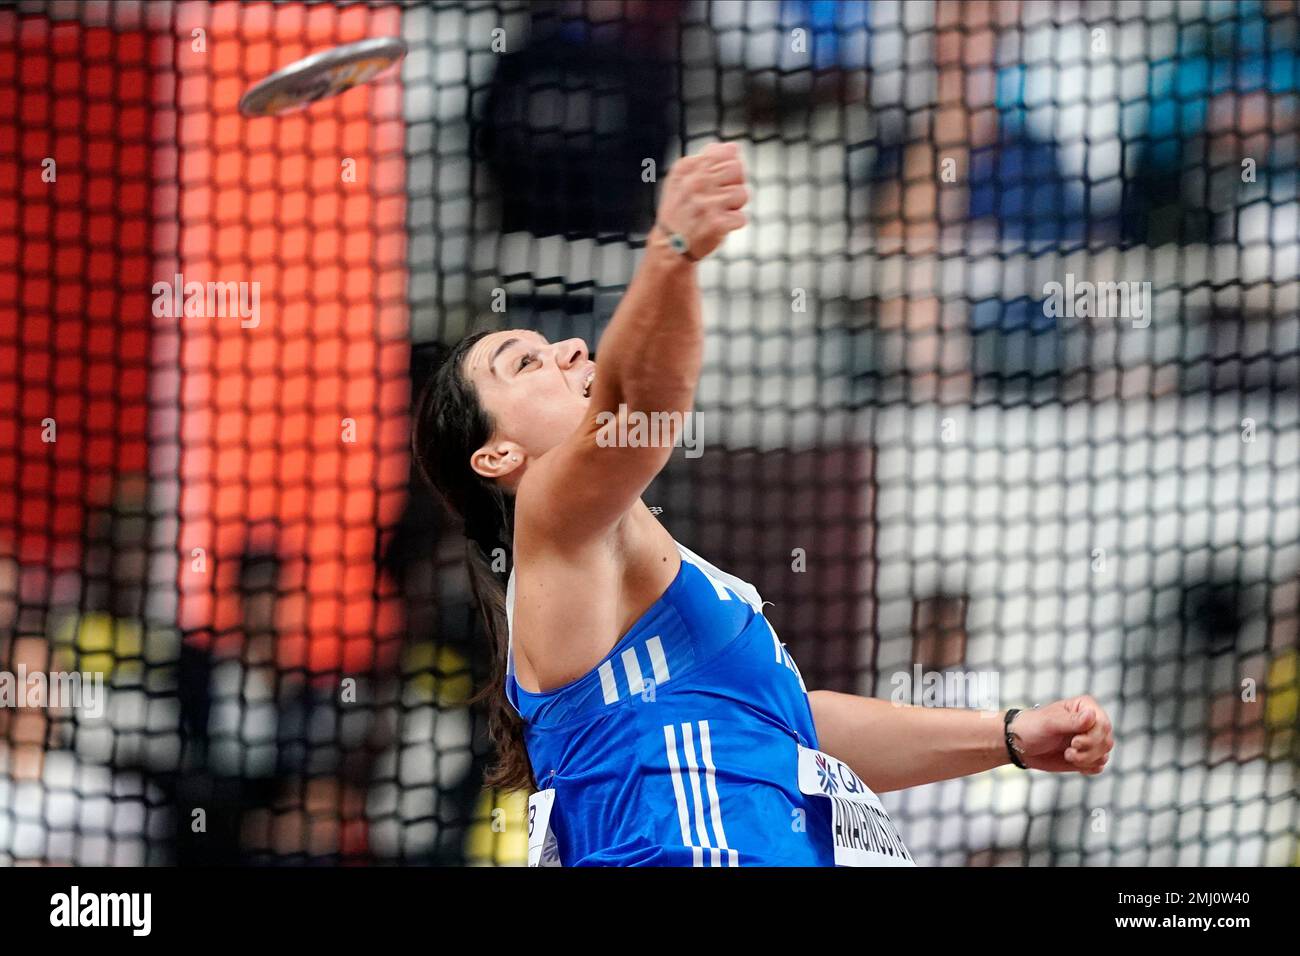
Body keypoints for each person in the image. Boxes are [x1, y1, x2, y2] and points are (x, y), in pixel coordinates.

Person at [412, 141, 1114, 866]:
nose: (565, 349)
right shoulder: (550, 519)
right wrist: (671, 252)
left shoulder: (659, 584)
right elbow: (640, 407)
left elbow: (794, 729)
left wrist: (1004, 737)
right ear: (496, 457)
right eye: (524, 362)